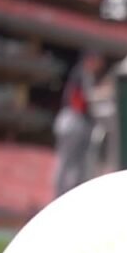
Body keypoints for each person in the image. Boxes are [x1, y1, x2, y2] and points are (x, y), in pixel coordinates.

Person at [53, 51, 103, 198]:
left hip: (79, 123)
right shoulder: (80, 74)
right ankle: (59, 196)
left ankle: (68, 195)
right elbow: (79, 101)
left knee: (79, 164)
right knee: (67, 162)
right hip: (73, 120)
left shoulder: (89, 76)